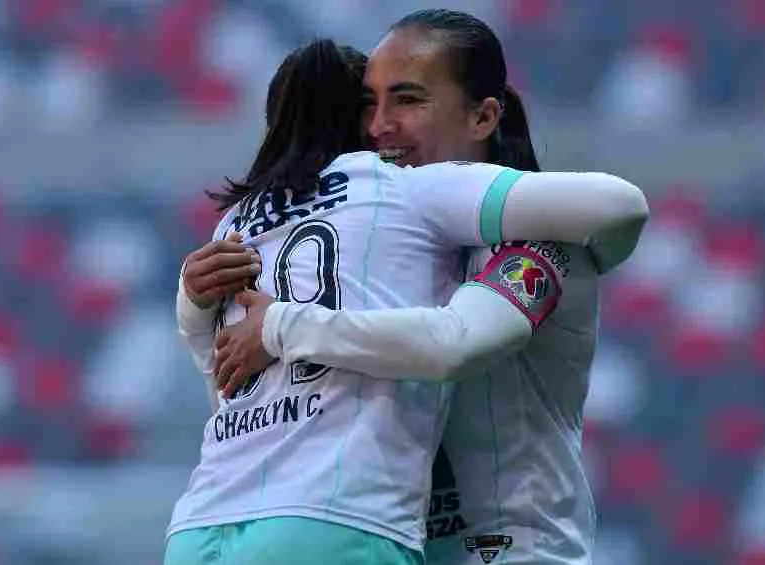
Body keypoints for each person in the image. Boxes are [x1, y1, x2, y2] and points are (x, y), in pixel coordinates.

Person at [167, 34, 646, 565]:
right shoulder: (379, 226)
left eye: (407, 101)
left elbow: (453, 343)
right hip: (363, 532)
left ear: (482, 118)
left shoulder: (534, 242)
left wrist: (276, 324)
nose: (382, 126)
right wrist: (197, 306)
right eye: (371, 105)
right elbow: (239, 387)